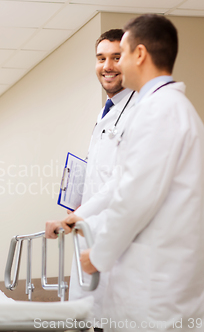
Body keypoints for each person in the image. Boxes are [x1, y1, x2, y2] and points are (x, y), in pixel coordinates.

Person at [47, 14, 204, 331]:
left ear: (139, 54)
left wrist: (98, 256)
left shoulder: (157, 111)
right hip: (157, 283)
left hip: (153, 289)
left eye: (121, 53)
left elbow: (133, 197)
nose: (114, 65)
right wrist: (81, 215)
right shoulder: (168, 107)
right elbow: (124, 182)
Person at [62, 28, 137, 331]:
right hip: (91, 235)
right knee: (87, 319)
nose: (107, 66)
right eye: (101, 58)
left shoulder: (138, 112)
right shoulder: (105, 113)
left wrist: (81, 214)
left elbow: (123, 182)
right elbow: (101, 172)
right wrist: (78, 203)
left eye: (116, 57)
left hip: (116, 244)